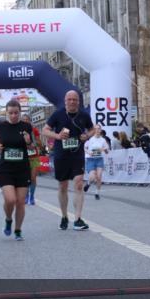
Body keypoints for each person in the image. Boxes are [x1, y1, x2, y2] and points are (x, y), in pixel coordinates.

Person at [42, 90, 94, 231]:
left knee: (78, 184)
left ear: (78, 101)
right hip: (61, 155)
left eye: (75, 99)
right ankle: (64, 216)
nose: (72, 102)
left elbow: (92, 129)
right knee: (63, 186)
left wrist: (87, 136)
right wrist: (57, 136)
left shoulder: (84, 115)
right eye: (69, 99)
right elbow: (45, 130)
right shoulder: (57, 114)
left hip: (77, 155)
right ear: (65, 101)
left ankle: (77, 219)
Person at [0, 99, 34, 240]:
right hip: (6, 168)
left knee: (20, 201)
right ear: (7, 113)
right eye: (10, 113)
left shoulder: (26, 126)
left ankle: (18, 230)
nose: (13, 116)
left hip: (22, 168)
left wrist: (28, 141)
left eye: (16, 113)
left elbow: (32, 147)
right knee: (10, 200)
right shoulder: (1, 127)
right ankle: (8, 219)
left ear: (20, 112)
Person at [21, 113, 44, 206]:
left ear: (30, 121)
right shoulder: (19, 131)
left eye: (27, 119)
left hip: (34, 156)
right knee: (25, 178)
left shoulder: (34, 130)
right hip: (23, 157)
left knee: (33, 178)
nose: (26, 121)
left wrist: (36, 144)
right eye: (24, 120)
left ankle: (32, 196)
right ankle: (26, 196)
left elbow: (39, 143)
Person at [83, 125, 110, 200]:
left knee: (99, 177)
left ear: (101, 130)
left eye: (99, 129)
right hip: (90, 159)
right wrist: (89, 152)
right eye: (96, 129)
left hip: (99, 159)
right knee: (92, 177)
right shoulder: (90, 139)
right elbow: (84, 148)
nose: (97, 130)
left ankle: (97, 193)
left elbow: (107, 150)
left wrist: (105, 149)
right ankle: (88, 183)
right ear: (94, 130)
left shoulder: (103, 140)